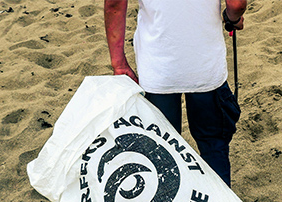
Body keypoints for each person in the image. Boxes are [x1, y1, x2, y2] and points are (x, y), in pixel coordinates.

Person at [104, 0, 247, 187]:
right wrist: (232, 18)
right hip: (205, 68)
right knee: (214, 148)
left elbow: (114, 4)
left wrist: (119, 62)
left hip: (158, 69)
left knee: (162, 154)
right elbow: (237, 4)